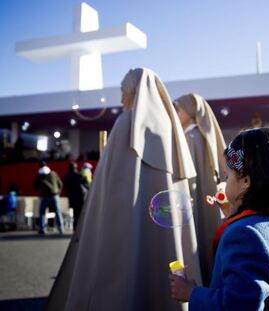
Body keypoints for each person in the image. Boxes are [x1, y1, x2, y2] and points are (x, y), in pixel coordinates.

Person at [46, 68, 201, 311]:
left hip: (125, 223)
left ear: (134, 91)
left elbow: (109, 186)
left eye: (123, 91)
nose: (121, 100)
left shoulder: (127, 123)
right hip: (164, 223)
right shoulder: (170, 129)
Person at [170, 127, 269, 310]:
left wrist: (191, 293)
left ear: (246, 182)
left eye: (227, 175)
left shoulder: (244, 235)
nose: (224, 182)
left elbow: (237, 305)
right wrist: (235, 214)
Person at [174, 93, 226, 285]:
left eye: (179, 108)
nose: (175, 112)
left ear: (190, 111)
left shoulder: (189, 137)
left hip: (192, 202)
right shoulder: (204, 137)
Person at [34, 160, 64, 235]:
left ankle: (42, 229)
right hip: (55, 196)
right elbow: (60, 184)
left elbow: (35, 187)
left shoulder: (40, 175)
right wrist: (58, 193)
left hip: (45, 196)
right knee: (58, 212)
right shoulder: (53, 173)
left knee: (42, 212)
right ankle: (61, 229)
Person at [63, 162, 88, 230]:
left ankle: (75, 229)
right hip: (81, 198)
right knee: (82, 215)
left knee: (75, 215)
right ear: (76, 167)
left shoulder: (67, 176)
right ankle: (81, 230)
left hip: (72, 199)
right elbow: (87, 185)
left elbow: (65, 187)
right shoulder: (79, 175)